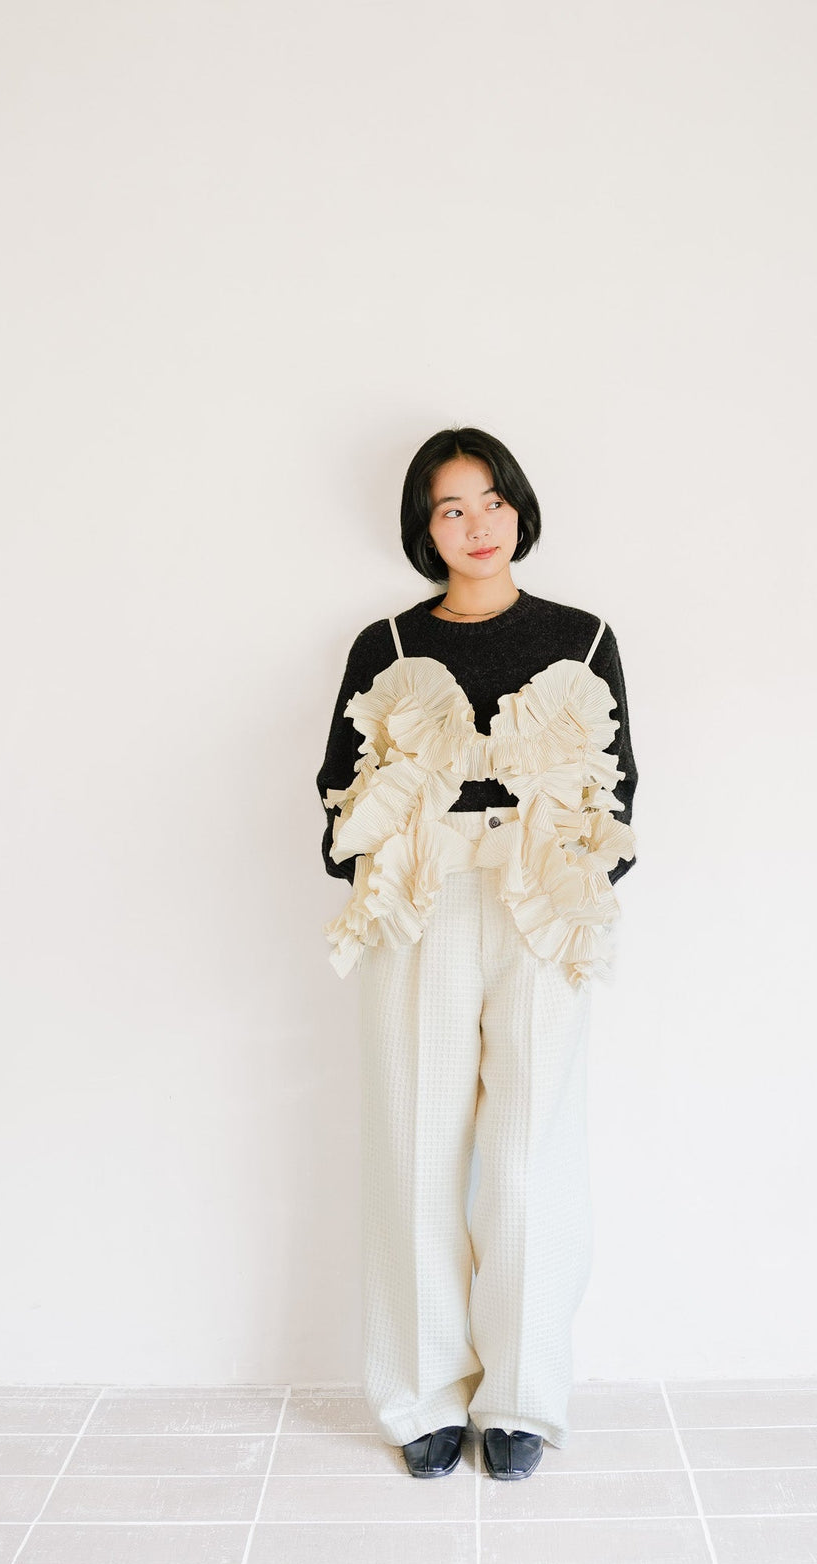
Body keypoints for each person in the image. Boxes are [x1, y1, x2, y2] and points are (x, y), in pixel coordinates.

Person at [314, 426, 638, 1482]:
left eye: (492, 500)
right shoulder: (387, 646)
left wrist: (568, 881)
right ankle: (420, 1395)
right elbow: (338, 788)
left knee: (534, 1149)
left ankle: (521, 1399)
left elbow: (621, 787)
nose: (477, 524)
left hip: (541, 898)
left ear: (519, 508)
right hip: (422, 901)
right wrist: (391, 868)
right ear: (425, 527)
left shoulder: (584, 639)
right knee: (415, 1140)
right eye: (451, 507)